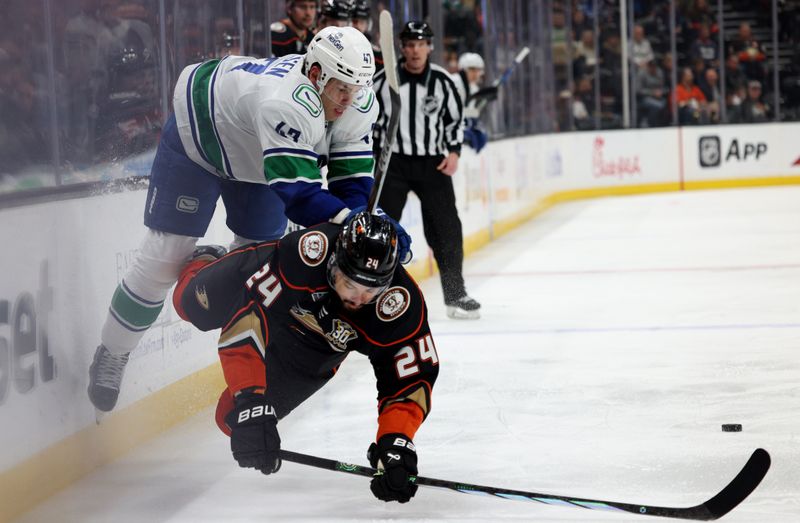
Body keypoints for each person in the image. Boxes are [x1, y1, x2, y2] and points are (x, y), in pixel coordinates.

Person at [88, 27, 411, 413]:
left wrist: (364, 221)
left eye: (357, 87)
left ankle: (213, 278)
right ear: (315, 75)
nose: (349, 98)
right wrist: (355, 226)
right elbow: (301, 198)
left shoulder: (358, 102)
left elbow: (350, 181)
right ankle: (113, 351)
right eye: (341, 87)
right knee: (164, 258)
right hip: (201, 138)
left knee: (251, 275)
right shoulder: (286, 104)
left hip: (258, 162)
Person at [172, 211, 438, 504]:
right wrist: (250, 398)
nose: (357, 298)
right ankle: (206, 260)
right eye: (349, 283)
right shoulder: (306, 253)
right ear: (334, 263)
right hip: (270, 297)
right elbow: (246, 320)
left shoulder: (401, 305)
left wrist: (395, 441)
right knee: (188, 304)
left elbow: (410, 380)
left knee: (230, 419)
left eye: (371, 290)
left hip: (315, 348)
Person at [373, 21, 480, 320]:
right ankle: (375, 294)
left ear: (430, 47)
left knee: (447, 230)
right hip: (393, 164)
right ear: (402, 48)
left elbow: (454, 122)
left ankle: (455, 294)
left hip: (433, 164)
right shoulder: (383, 82)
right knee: (380, 230)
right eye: (409, 44)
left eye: (421, 44)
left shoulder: (444, 83)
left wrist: (455, 152)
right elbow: (370, 121)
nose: (415, 50)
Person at [451, 52, 493, 153]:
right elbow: (452, 111)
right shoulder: (454, 82)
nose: (475, 74)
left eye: (478, 70)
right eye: (472, 69)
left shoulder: (473, 88)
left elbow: (468, 112)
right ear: (463, 70)